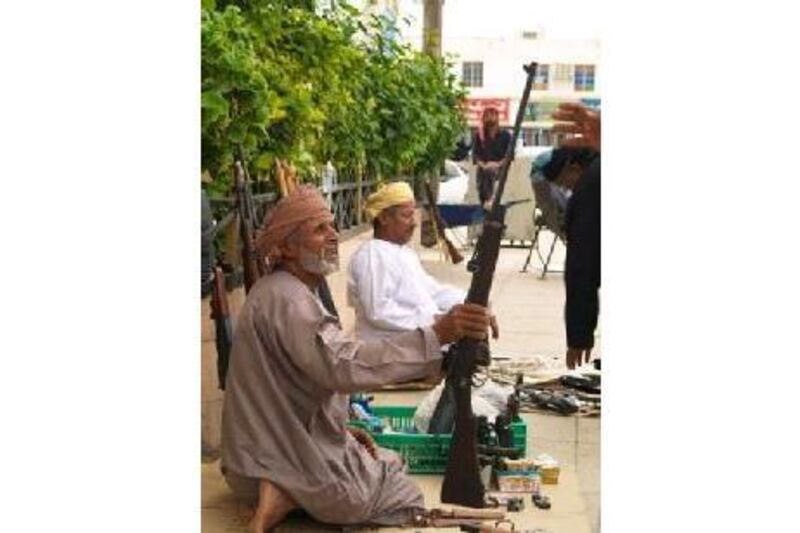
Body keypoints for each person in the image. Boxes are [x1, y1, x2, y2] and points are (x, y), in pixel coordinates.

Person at [220, 185, 493, 532]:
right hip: (265, 462)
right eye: (320, 230)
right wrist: (436, 336)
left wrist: (339, 429)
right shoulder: (289, 300)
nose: (333, 236)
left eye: (332, 226)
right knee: (399, 491)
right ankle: (285, 494)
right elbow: (343, 365)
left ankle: (287, 492)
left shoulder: (288, 292)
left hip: (258, 457)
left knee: (384, 458)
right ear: (286, 247)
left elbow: (295, 388)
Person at [347, 182, 496, 342]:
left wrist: (473, 302)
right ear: (383, 218)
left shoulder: (405, 253)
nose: (413, 223)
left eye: (413, 215)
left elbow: (432, 291)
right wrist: (436, 323)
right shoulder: (372, 255)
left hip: (414, 346)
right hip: (389, 352)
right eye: (406, 216)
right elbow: (379, 311)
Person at [472, 106, 513, 210]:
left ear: (497, 118)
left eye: (492, 115)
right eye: (486, 116)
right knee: (484, 173)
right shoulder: (479, 135)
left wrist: (497, 164)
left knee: (490, 171)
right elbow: (476, 155)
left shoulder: (506, 135)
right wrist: (484, 165)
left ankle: (490, 199)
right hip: (483, 169)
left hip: (499, 168)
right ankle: (486, 201)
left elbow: (509, 156)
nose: (489, 118)